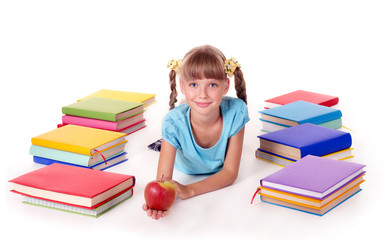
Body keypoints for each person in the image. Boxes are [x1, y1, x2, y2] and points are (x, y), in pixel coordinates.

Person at [143, 45, 249, 220]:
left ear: (226, 86)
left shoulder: (237, 111)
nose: (203, 94)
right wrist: (159, 202)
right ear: (182, 86)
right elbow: (163, 181)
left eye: (212, 84)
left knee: (194, 107)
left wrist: (189, 189)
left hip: (194, 117)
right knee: (178, 119)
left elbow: (230, 172)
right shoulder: (172, 123)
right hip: (179, 131)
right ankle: (183, 107)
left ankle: (187, 104)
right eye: (194, 84)